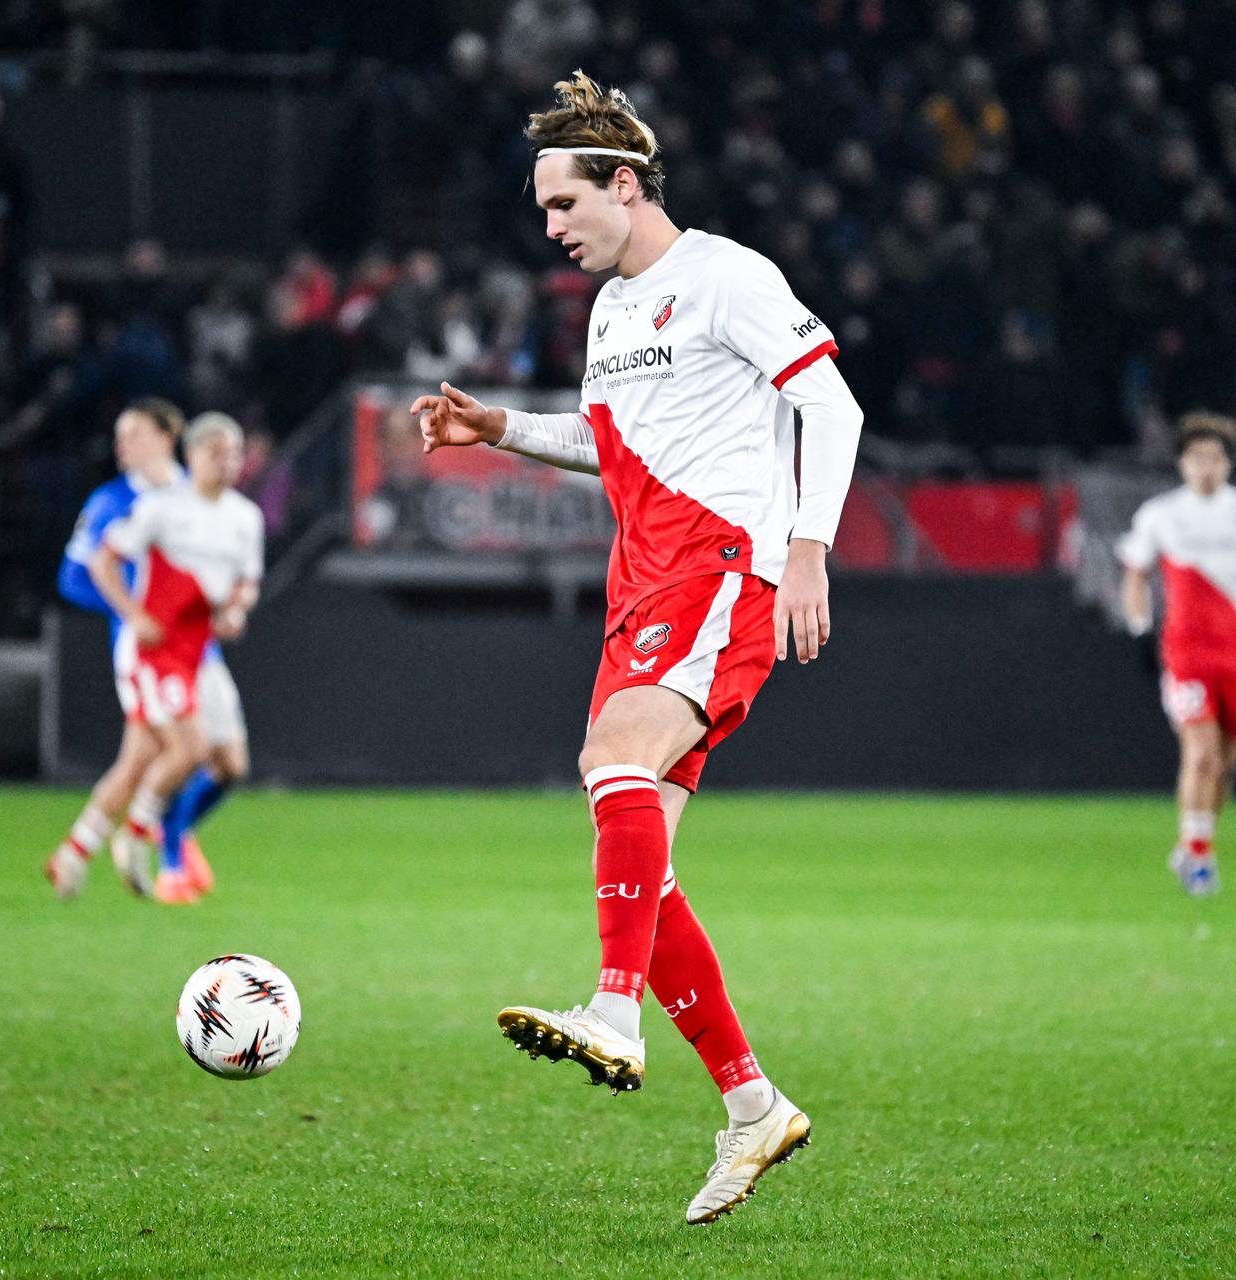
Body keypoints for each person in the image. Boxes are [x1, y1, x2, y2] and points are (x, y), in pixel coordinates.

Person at [412, 72, 862, 1225]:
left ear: (624, 185)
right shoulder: (614, 312)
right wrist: (497, 428)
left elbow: (833, 406)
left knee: (612, 761)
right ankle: (753, 1105)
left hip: (722, 571)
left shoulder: (726, 274)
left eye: (563, 205)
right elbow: (609, 442)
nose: (551, 230)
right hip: (640, 587)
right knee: (640, 857)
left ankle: (613, 1011)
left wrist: (808, 546)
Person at [45, 402, 250, 903]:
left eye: (133, 433)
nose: (122, 446)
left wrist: (228, 607)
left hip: (199, 650)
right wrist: (135, 611)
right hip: (149, 651)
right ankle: (164, 851)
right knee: (185, 751)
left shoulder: (200, 495)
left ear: (169, 437)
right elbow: (77, 575)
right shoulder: (112, 501)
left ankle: (76, 852)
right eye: (120, 435)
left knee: (201, 762)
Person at [1117, 412, 1236, 896]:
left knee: (1226, 762)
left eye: (1215, 457)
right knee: (1200, 755)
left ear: (1228, 464)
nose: (1206, 466)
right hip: (1187, 650)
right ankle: (1199, 861)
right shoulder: (1161, 514)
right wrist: (1140, 631)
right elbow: (1135, 574)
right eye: (1196, 456)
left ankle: (1194, 840)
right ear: (1181, 463)